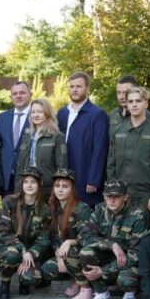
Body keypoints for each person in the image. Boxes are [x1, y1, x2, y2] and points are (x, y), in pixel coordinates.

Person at [67, 179, 147, 299]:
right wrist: (111, 245)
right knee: (85, 252)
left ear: (125, 197)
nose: (112, 200)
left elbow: (136, 254)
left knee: (126, 282)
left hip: (126, 261)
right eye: (108, 196)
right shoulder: (100, 209)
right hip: (106, 256)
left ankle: (130, 290)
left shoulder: (137, 216)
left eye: (117, 196)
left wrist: (103, 271)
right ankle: (101, 293)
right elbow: (84, 236)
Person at [0, 166, 53, 299]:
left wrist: (30, 253)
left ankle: (23, 281)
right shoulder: (9, 202)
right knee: (12, 255)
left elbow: (44, 240)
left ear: (39, 184)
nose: (29, 185)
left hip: (30, 253)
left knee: (32, 278)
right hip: (6, 248)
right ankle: (5, 282)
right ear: (22, 184)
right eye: (26, 182)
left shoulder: (45, 209)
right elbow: (1, 233)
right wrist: (22, 249)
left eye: (33, 182)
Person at [107, 87, 150, 212]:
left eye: (138, 101)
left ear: (146, 103)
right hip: (121, 195)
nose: (134, 105)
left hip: (146, 196)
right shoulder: (118, 131)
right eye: (130, 101)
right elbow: (111, 164)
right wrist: (112, 190)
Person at [57, 71, 108, 207]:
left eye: (78, 86)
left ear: (87, 89)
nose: (74, 90)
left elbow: (100, 149)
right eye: (71, 86)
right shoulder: (62, 113)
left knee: (85, 218)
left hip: (85, 176)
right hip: (65, 174)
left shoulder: (97, 114)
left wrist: (94, 179)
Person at [40, 168, 93, 297]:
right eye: (57, 186)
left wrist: (70, 242)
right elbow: (53, 237)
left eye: (65, 186)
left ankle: (85, 284)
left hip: (85, 252)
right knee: (47, 269)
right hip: (65, 252)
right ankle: (75, 277)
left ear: (72, 189)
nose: (60, 189)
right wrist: (59, 257)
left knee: (72, 252)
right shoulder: (54, 207)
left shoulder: (82, 209)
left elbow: (89, 238)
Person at [16, 98, 68, 197]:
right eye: (33, 112)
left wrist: (56, 190)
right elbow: (20, 166)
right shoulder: (27, 136)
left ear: (47, 113)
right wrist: (17, 188)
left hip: (47, 189)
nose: (35, 115)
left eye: (40, 112)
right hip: (26, 188)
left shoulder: (57, 136)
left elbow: (62, 167)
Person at [0, 80, 32, 194]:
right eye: (15, 94)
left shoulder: (37, 116)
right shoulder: (3, 117)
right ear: (11, 97)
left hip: (29, 176)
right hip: (7, 176)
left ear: (30, 95)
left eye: (22, 93)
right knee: (8, 210)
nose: (18, 96)